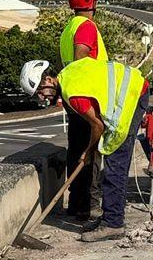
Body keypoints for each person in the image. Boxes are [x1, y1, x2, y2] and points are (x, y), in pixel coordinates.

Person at [55, 47, 146, 239]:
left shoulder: (72, 94)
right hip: (133, 87)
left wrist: (88, 151)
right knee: (114, 160)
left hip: (131, 96)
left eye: (40, 90)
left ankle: (113, 223)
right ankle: (111, 217)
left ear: (48, 80)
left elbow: (97, 125)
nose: (42, 97)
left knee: (115, 162)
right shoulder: (68, 74)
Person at [59, 0, 107, 223]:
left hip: (73, 97)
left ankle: (76, 204)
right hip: (87, 97)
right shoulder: (86, 27)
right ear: (93, 2)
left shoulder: (68, 28)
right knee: (91, 152)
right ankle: (89, 207)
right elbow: (81, 55)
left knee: (75, 149)